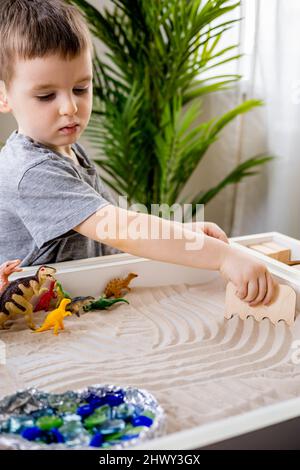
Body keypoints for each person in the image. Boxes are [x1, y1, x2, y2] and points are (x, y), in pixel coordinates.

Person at [0, 0, 276, 306]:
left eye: (81, 89)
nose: (70, 107)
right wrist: (223, 256)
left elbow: (103, 237)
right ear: (4, 96)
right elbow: (120, 229)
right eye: (46, 95)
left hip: (69, 298)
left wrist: (184, 235)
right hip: (25, 313)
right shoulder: (31, 171)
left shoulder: (68, 152)